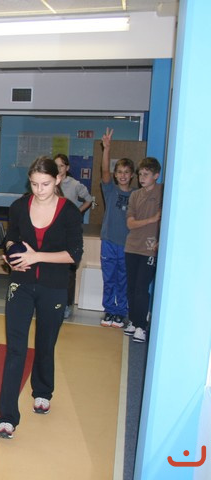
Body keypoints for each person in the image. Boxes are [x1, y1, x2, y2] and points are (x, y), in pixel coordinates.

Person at [0, 156, 83, 440]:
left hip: (53, 286)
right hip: (20, 284)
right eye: (34, 184)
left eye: (45, 184)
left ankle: (43, 390)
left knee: (45, 344)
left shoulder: (69, 212)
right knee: (16, 349)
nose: (39, 189)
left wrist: (36, 257)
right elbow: (11, 237)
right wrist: (12, 255)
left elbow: (74, 255)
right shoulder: (19, 206)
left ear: (58, 179)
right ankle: (7, 417)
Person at [123, 157, 163, 344]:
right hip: (132, 246)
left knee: (141, 288)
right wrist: (151, 220)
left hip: (149, 248)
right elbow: (130, 223)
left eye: (146, 174)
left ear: (156, 175)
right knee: (131, 287)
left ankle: (141, 326)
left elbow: (164, 219)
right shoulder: (135, 195)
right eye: (140, 174)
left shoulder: (162, 192)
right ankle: (133, 320)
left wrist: (160, 239)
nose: (142, 178)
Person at [99, 128, 135, 328]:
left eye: (126, 172)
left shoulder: (136, 195)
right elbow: (104, 171)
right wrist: (107, 148)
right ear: (115, 175)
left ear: (132, 175)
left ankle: (121, 312)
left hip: (127, 245)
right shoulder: (110, 190)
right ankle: (109, 311)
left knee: (123, 279)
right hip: (109, 242)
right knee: (109, 279)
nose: (123, 175)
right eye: (119, 172)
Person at [53, 153, 93, 319]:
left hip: (69, 232)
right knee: (52, 269)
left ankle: (66, 305)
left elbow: (89, 199)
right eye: (55, 165)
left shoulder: (75, 184)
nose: (58, 169)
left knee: (69, 271)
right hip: (54, 232)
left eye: (61, 166)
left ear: (67, 167)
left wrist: (77, 212)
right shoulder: (50, 183)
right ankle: (51, 303)